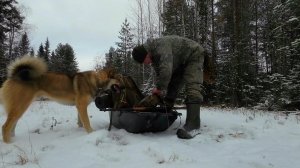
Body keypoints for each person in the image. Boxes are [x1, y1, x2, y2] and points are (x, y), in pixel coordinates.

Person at [132, 35, 205, 139]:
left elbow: (166, 70)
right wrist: (159, 90)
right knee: (173, 85)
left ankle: (193, 125)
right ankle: (166, 111)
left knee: (193, 86)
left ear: (146, 55)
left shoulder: (160, 47)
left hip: (193, 54)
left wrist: (159, 88)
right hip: (180, 62)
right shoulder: (154, 56)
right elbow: (160, 74)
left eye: (144, 61)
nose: (146, 64)